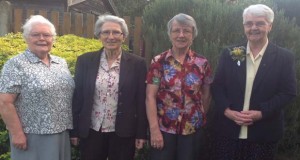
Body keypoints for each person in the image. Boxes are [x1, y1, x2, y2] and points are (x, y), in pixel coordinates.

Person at [211, 4, 297, 160]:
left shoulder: (284, 57)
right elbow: (217, 86)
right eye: (249, 23)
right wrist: (227, 112)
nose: (253, 27)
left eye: (260, 23)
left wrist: (262, 112)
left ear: (270, 26)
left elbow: (288, 92)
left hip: (264, 133)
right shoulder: (231, 53)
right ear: (244, 26)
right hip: (228, 132)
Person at [70, 14, 148, 160]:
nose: (110, 37)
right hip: (92, 130)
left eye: (116, 32)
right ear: (99, 36)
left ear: (123, 36)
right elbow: (77, 98)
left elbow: (141, 101)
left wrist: (141, 133)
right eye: (105, 32)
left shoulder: (137, 64)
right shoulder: (85, 61)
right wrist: (74, 131)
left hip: (124, 131)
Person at [0, 15, 74, 160]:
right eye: (36, 35)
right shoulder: (16, 64)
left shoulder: (61, 63)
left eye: (46, 35)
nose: (42, 38)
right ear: (27, 38)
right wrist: (17, 133)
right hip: (31, 135)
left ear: (53, 39)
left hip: (61, 132)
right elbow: (4, 102)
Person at [146, 13, 213, 160]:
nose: (181, 35)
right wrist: (154, 130)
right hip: (164, 129)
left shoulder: (202, 63)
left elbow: (207, 94)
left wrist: (198, 118)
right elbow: (150, 96)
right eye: (176, 30)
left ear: (193, 35)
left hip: (192, 130)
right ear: (170, 34)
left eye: (186, 31)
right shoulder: (158, 62)